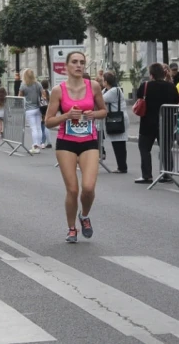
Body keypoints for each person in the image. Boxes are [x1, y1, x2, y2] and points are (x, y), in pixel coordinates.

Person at [45, 51, 107, 243]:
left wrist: (94, 115)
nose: (79, 65)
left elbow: (104, 110)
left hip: (89, 141)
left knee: (88, 188)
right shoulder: (58, 90)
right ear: (67, 66)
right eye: (75, 62)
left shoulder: (93, 86)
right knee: (72, 189)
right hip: (66, 142)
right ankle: (72, 228)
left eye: (82, 62)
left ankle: (85, 216)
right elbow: (48, 121)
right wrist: (66, 116)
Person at [134, 63, 179, 184]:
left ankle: (147, 175)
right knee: (165, 148)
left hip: (147, 123)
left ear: (151, 75)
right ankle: (168, 174)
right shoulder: (171, 86)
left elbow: (138, 98)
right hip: (167, 122)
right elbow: (176, 101)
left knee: (144, 148)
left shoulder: (145, 85)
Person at [102, 71, 129, 173]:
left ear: (106, 81)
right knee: (117, 143)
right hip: (114, 118)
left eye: (103, 80)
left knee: (119, 144)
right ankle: (121, 166)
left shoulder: (114, 91)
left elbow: (99, 99)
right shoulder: (107, 90)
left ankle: (122, 167)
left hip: (118, 119)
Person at [18, 69, 44, 153]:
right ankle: (39, 144)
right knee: (39, 127)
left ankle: (35, 145)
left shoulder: (23, 85)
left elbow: (20, 97)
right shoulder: (38, 84)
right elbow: (43, 95)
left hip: (29, 109)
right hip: (38, 108)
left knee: (33, 128)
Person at [39, 80, 52, 148]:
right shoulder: (50, 92)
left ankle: (42, 142)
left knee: (42, 126)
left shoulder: (40, 92)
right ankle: (49, 142)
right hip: (48, 108)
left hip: (41, 109)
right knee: (46, 125)